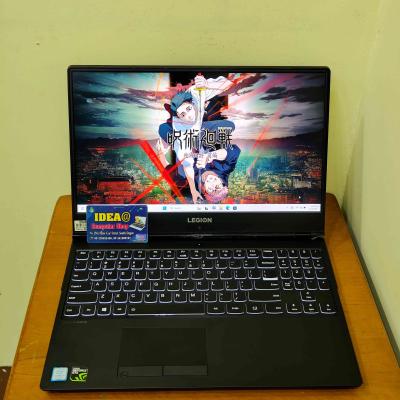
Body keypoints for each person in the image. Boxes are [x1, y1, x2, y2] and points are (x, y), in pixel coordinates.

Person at [158, 74, 235, 203]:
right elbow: (228, 154)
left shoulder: (195, 94)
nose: (189, 116)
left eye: (189, 109)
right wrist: (210, 156)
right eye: (183, 114)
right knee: (165, 130)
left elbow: (226, 84)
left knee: (165, 131)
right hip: (193, 136)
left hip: (195, 136)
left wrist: (206, 84)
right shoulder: (181, 129)